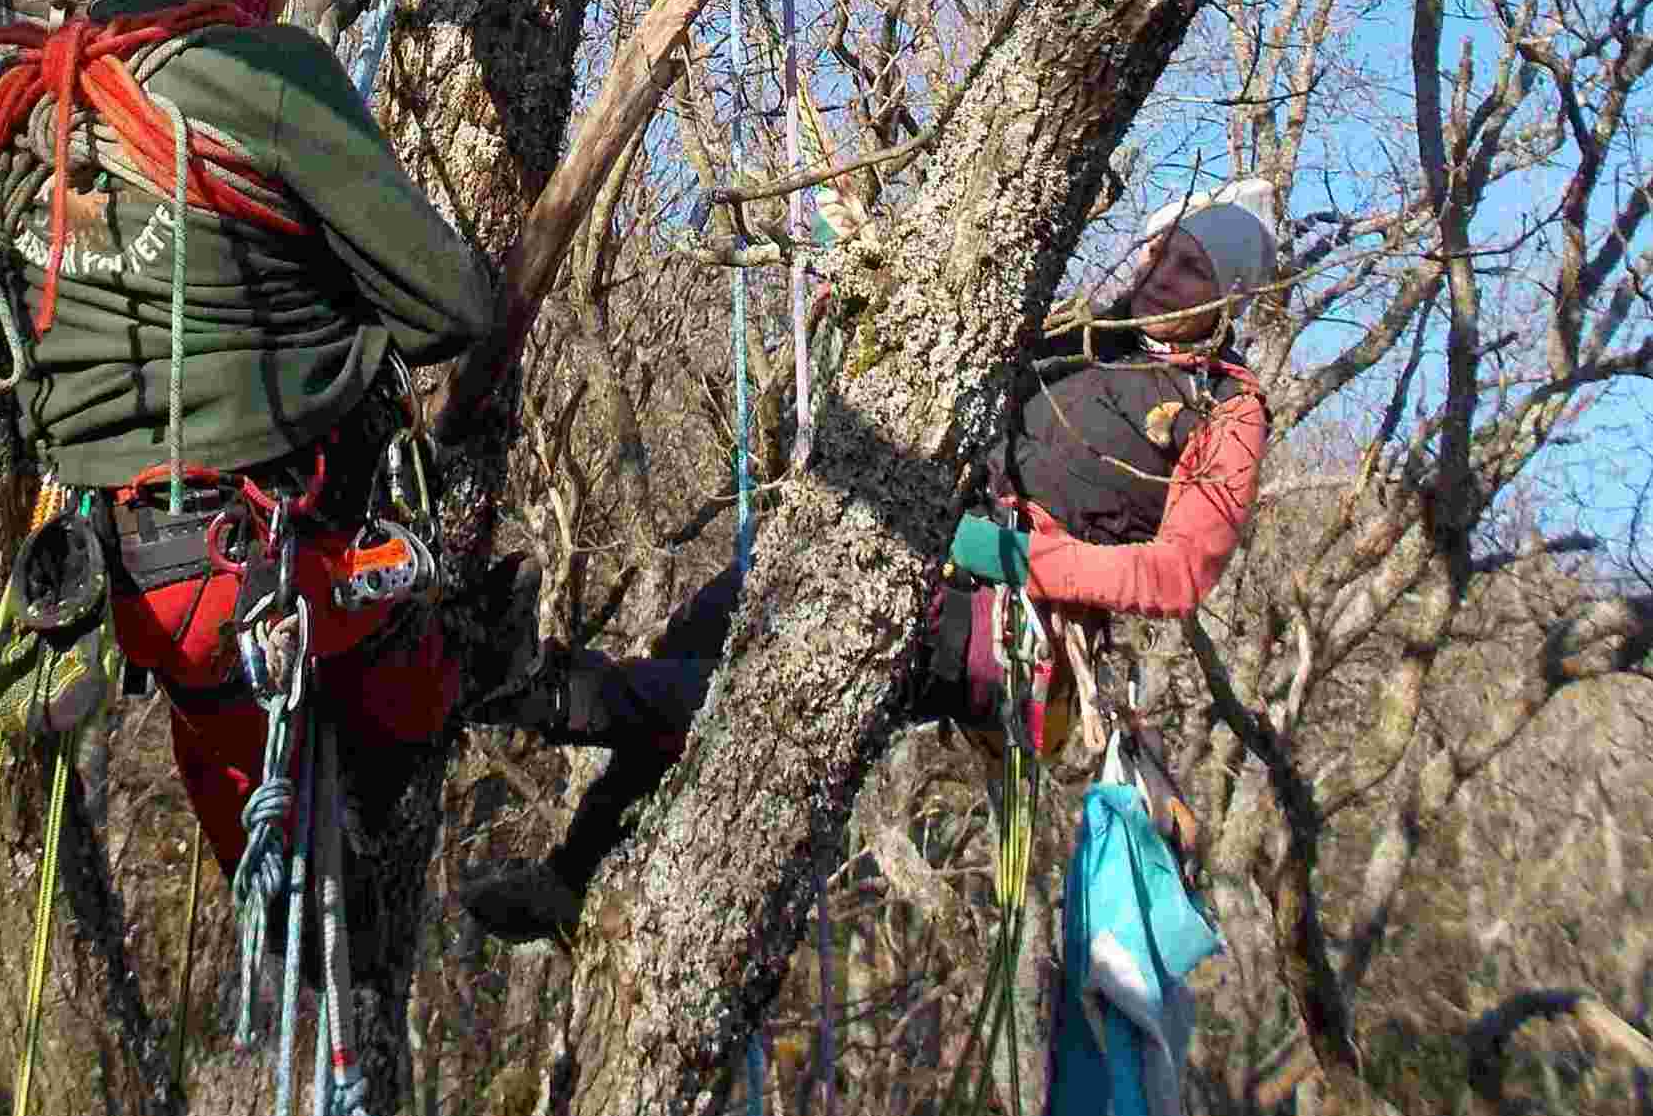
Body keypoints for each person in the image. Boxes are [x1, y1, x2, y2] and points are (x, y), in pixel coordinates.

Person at [460, 182, 1277, 944]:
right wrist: (859, 263)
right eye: (1161, 249)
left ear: (1230, 294)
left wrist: (1022, 556)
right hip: (907, 521)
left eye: (1193, 265)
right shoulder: (1079, 331)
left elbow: (1177, 573)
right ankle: (574, 871)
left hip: (999, 617)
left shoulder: (1226, 411)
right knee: (697, 633)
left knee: (765, 678)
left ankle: (542, 687)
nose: (1163, 274)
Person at [0, 0, 504, 876]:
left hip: (116, 577)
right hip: (272, 548)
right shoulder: (263, 70)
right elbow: (455, 309)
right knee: (413, 673)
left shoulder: (23, 93)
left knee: (250, 789)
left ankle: (297, 928)